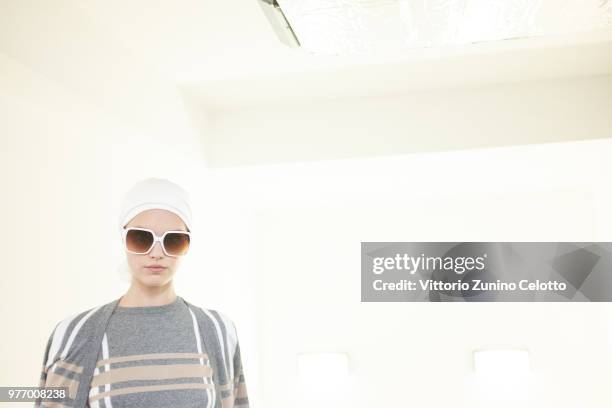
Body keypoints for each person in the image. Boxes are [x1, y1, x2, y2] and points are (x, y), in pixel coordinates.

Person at [35, 177, 250, 408]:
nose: (157, 252)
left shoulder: (217, 330)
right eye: (141, 238)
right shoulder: (75, 334)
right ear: (123, 238)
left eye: (174, 240)